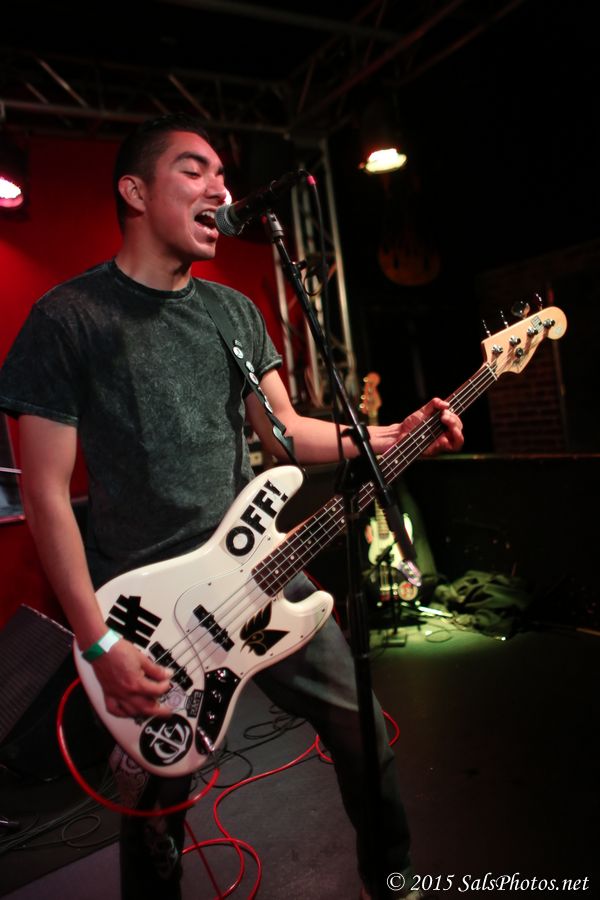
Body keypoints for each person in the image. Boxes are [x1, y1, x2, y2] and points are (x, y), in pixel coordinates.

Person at [0, 113, 463, 899]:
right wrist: (98, 639)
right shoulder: (69, 319)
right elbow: (45, 494)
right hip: (148, 609)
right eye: (195, 170)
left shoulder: (234, 314)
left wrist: (392, 433)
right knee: (155, 816)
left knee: (364, 733)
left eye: (223, 174)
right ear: (134, 191)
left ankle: (394, 882)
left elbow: (287, 434)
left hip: (261, 573)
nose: (220, 188)